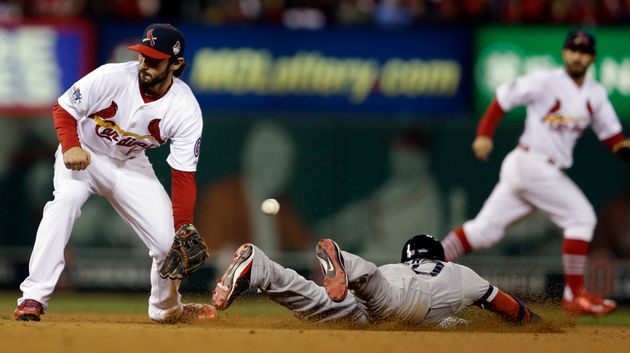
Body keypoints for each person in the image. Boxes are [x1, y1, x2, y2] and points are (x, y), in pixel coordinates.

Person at [14, 23, 216, 323]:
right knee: (65, 202)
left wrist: (183, 225)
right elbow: (64, 108)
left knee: (168, 244)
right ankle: (33, 298)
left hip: (132, 165)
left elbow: (183, 174)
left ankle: (167, 309)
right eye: (143, 56)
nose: (144, 64)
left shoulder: (185, 108)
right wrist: (70, 146)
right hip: (85, 155)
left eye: (154, 60)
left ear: (176, 64)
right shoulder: (112, 76)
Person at [440, 29, 629, 317]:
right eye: (573, 49)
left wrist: (624, 147)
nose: (577, 55)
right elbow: (503, 98)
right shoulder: (545, 82)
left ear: (592, 57)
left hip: (536, 171)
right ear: (565, 53)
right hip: (531, 163)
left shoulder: (595, 94)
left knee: (484, 232)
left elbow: (613, 138)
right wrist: (484, 134)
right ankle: (574, 295)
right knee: (581, 217)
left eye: (584, 51)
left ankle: (431, 260)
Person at [211, 234, 541, 327]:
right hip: (408, 299)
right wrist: (531, 320)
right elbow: (503, 303)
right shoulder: (460, 273)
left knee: (310, 298)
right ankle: (339, 256)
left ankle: (260, 267)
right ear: (440, 256)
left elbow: (446, 322)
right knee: (378, 291)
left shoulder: (402, 267)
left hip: (374, 302)